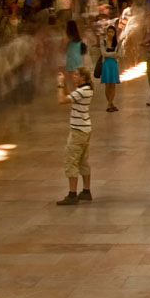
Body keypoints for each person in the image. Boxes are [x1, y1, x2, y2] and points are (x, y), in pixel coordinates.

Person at [55, 67, 94, 205]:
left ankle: (72, 194)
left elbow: (62, 100)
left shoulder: (82, 91)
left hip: (78, 131)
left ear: (83, 77)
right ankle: (86, 190)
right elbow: (69, 96)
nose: (74, 76)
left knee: (71, 161)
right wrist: (65, 84)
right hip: (85, 129)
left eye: (77, 75)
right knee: (83, 160)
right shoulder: (85, 90)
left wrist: (60, 84)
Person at [99, 25, 121, 112]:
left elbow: (119, 54)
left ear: (114, 33)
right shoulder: (103, 42)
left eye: (112, 32)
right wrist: (113, 53)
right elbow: (104, 54)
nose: (110, 33)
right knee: (107, 84)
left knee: (113, 84)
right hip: (106, 64)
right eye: (109, 31)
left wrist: (112, 54)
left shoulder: (117, 43)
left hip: (113, 64)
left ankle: (110, 104)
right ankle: (110, 103)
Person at [63, 20, 87, 93]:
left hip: (71, 59)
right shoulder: (79, 38)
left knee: (72, 79)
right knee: (77, 77)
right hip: (78, 59)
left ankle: (75, 93)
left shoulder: (68, 38)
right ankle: (78, 92)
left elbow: (63, 48)